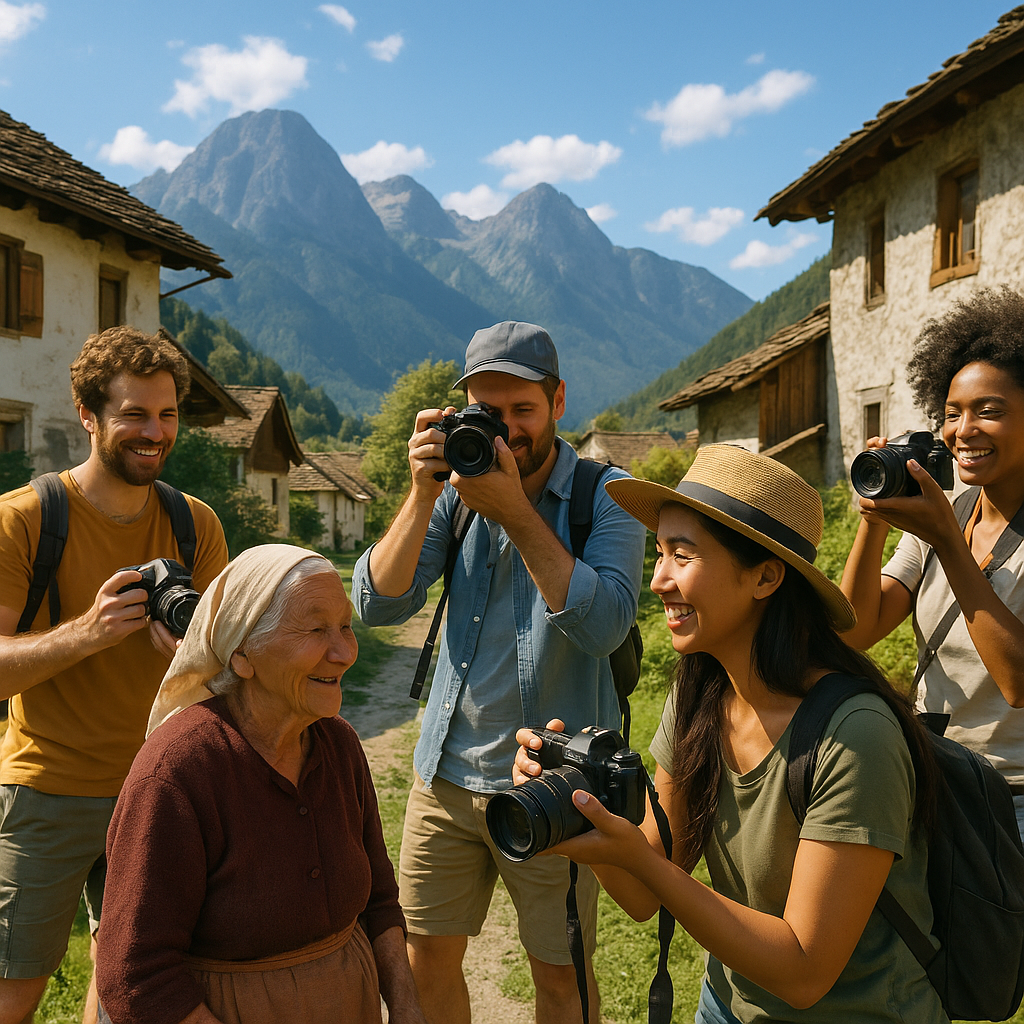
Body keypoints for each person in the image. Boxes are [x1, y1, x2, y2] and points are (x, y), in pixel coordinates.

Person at [514, 444, 945, 1024]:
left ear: (765, 576)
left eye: (682, 555)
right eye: (659, 553)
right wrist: (579, 810)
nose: (659, 580)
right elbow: (643, 895)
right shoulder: (700, 695)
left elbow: (803, 972)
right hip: (726, 1007)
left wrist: (640, 862)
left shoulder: (855, 736)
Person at [352, 321, 646, 1024]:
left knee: (561, 979)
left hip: (556, 788)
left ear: (558, 401)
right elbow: (376, 603)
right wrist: (422, 491)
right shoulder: (454, 490)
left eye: (524, 410)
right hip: (444, 775)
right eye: (490, 411)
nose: (506, 428)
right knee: (423, 969)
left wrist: (514, 511)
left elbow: (606, 625)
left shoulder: (610, 496)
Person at [0, 326, 228, 1024]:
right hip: (47, 789)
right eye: (133, 414)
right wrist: (86, 634)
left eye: (166, 414)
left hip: (160, 789)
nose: (153, 432)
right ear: (88, 416)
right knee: (14, 990)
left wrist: (193, 659)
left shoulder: (197, 525)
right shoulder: (25, 520)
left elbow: (230, 665)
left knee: (129, 986)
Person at [95, 544, 425, 1024]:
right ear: (243, 654)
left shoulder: (337, 743)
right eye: (315, 629)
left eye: (346, 627)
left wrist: (407, 1006)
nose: (344, 652)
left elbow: (377, 896)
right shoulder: (179, 771)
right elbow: (135, 974)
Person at [840, 287, 1024, 835]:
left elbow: (1018, 683)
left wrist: (948, 542)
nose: (963, 431)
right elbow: (855, 630)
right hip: (935, 780)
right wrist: (873, 520)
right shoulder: (946, 516)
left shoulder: (942, 528)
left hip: (1011, 801)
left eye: (988, 412)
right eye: (951, 414)